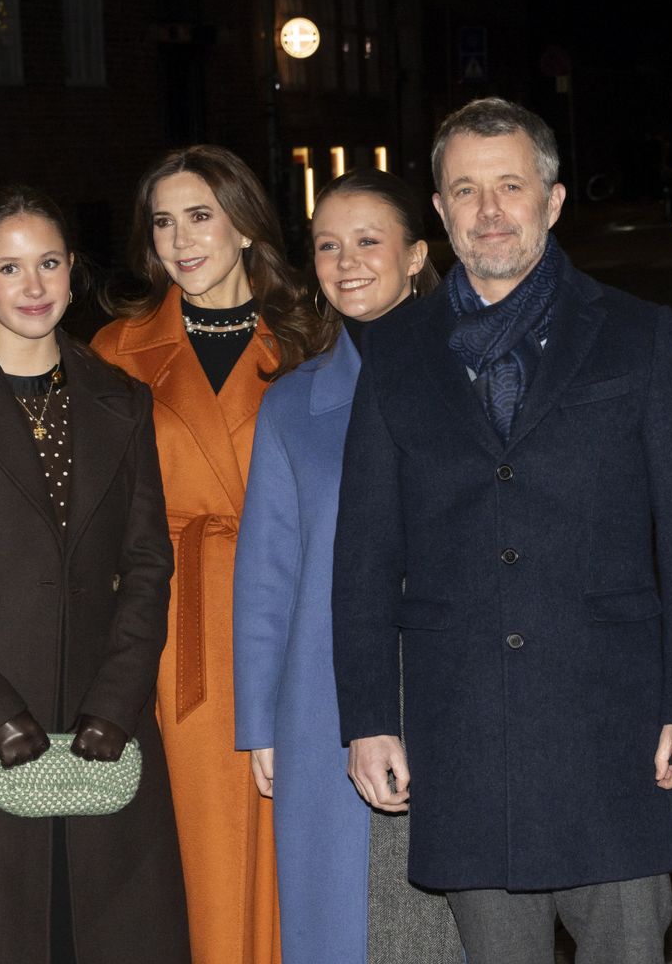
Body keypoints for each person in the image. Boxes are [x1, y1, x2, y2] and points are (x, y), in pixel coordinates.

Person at [330, 98, 672, 964]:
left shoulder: (637, 336)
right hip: (463, 732)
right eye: (465, 190)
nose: (489, 210)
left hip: (612, 734)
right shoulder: (394, 355)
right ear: (439, 210)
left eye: (509, 186)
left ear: (551, 199)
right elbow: (363, 555)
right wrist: (367, 717)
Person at [0, 185, 189, 963]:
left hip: (101, 721)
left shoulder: (122, 400)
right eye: (8, 268)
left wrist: (117, 702)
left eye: (48, 263)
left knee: (108, 933)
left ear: (73, 269)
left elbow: (147, 564)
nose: (34, 286)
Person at [92, 146, 319, 964]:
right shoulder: (117, 351)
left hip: (294, 617)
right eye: (162, 222)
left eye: (199, 216)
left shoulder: (312, 336)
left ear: (246, 225)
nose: (180, 241)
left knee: (301, 841)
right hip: (173, 626)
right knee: (200, 844)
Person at [234, 168, 464, 963]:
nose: (347, 260)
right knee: (345, 919)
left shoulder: (477, 378)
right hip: (324, 693)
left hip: (456, 675)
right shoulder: (293, 404)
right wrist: (260, 721)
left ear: (416, 256)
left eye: (369, 240)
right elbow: (267, 572)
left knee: (454, 917)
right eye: (328, 245)